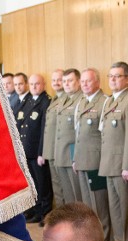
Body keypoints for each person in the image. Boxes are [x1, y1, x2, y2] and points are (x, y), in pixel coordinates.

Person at [98, 62, 128, 241]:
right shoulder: (109, 102)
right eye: (111, 76)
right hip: (108, 163)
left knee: (126, 207)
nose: (113, 80)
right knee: (115, 208)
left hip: (122, 165)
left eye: (118, 76)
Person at [73, 68, 111, 241]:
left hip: (96, 160)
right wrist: (75, 158)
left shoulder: (104, 102)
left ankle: (103, 238)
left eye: (88, 81)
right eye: (83, 81)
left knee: (99, 204)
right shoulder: (81, 102)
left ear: (98, 82)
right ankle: (91, 236)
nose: (85, 84)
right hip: (81, 159)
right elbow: (78, 133)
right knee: (86, 205)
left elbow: (105, 136)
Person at [19, 74, 52, 224]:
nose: (33, 87)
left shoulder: (45, 102)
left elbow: (44, 130)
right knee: (35, 185)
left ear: (43, 84)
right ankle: (37, 212)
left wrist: (41, 152)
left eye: (37, 84)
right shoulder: (28, 101)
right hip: (28, 150)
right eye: (31, 84)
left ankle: (45, 213)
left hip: (38, 151)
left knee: (43, 185)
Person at [38, 68, 66, 210]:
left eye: (59, 79)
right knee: (57, 189)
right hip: (53, 151)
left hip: (64, 152)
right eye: (53, 80)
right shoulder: (54, 99)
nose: (56, 82)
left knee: (66, 191)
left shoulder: (67, 99)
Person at [54, 69, 83, 205]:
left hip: (73, 153)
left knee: (77, 196)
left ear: (78, 82)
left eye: (70, 81)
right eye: (64, 81)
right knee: (67, 195)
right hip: (61, 154)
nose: (66, 84)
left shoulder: (82, 100)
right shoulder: (62, 100)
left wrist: (76, 157)